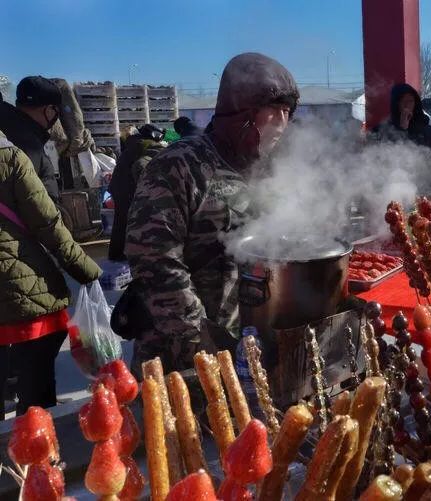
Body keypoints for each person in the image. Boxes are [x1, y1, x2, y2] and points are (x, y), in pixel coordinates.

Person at [121, 53, 299, 374]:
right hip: (179, 357)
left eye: (288, 112)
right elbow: (154, 261)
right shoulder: (179, 165)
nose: (282, 124)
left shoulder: (266, 170)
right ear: (241, 112)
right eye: (274, 111)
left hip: (243, 346)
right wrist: (200, 344)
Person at [0, 130, 101, 419]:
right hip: (20, 292)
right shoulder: (9, 156)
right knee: (36, 396)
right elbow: (47, 224)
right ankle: (37, 456)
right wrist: (86, 271)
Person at [107, 124, 166, 261]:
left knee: (121, 223)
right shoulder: (143, 146)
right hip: (126, 189)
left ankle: (117, 255)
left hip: (120, 188)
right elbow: (140, 167)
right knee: (130, 223)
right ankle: (126, 255)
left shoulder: (135, 143)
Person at [0, 76, 62, 202]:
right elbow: (41, 208)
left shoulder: (4, 130)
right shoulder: (31, 149)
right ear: (49, 111)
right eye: (56, 110)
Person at [373, 84, 431, 194]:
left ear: (416, 103)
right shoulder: (385, 128)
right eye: (403, 101)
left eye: (410, 101)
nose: (407, 105)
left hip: (422, 186)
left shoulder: (425, 128)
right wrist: (402, 128)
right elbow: (384, 157)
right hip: (394, 187)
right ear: (396, 103)